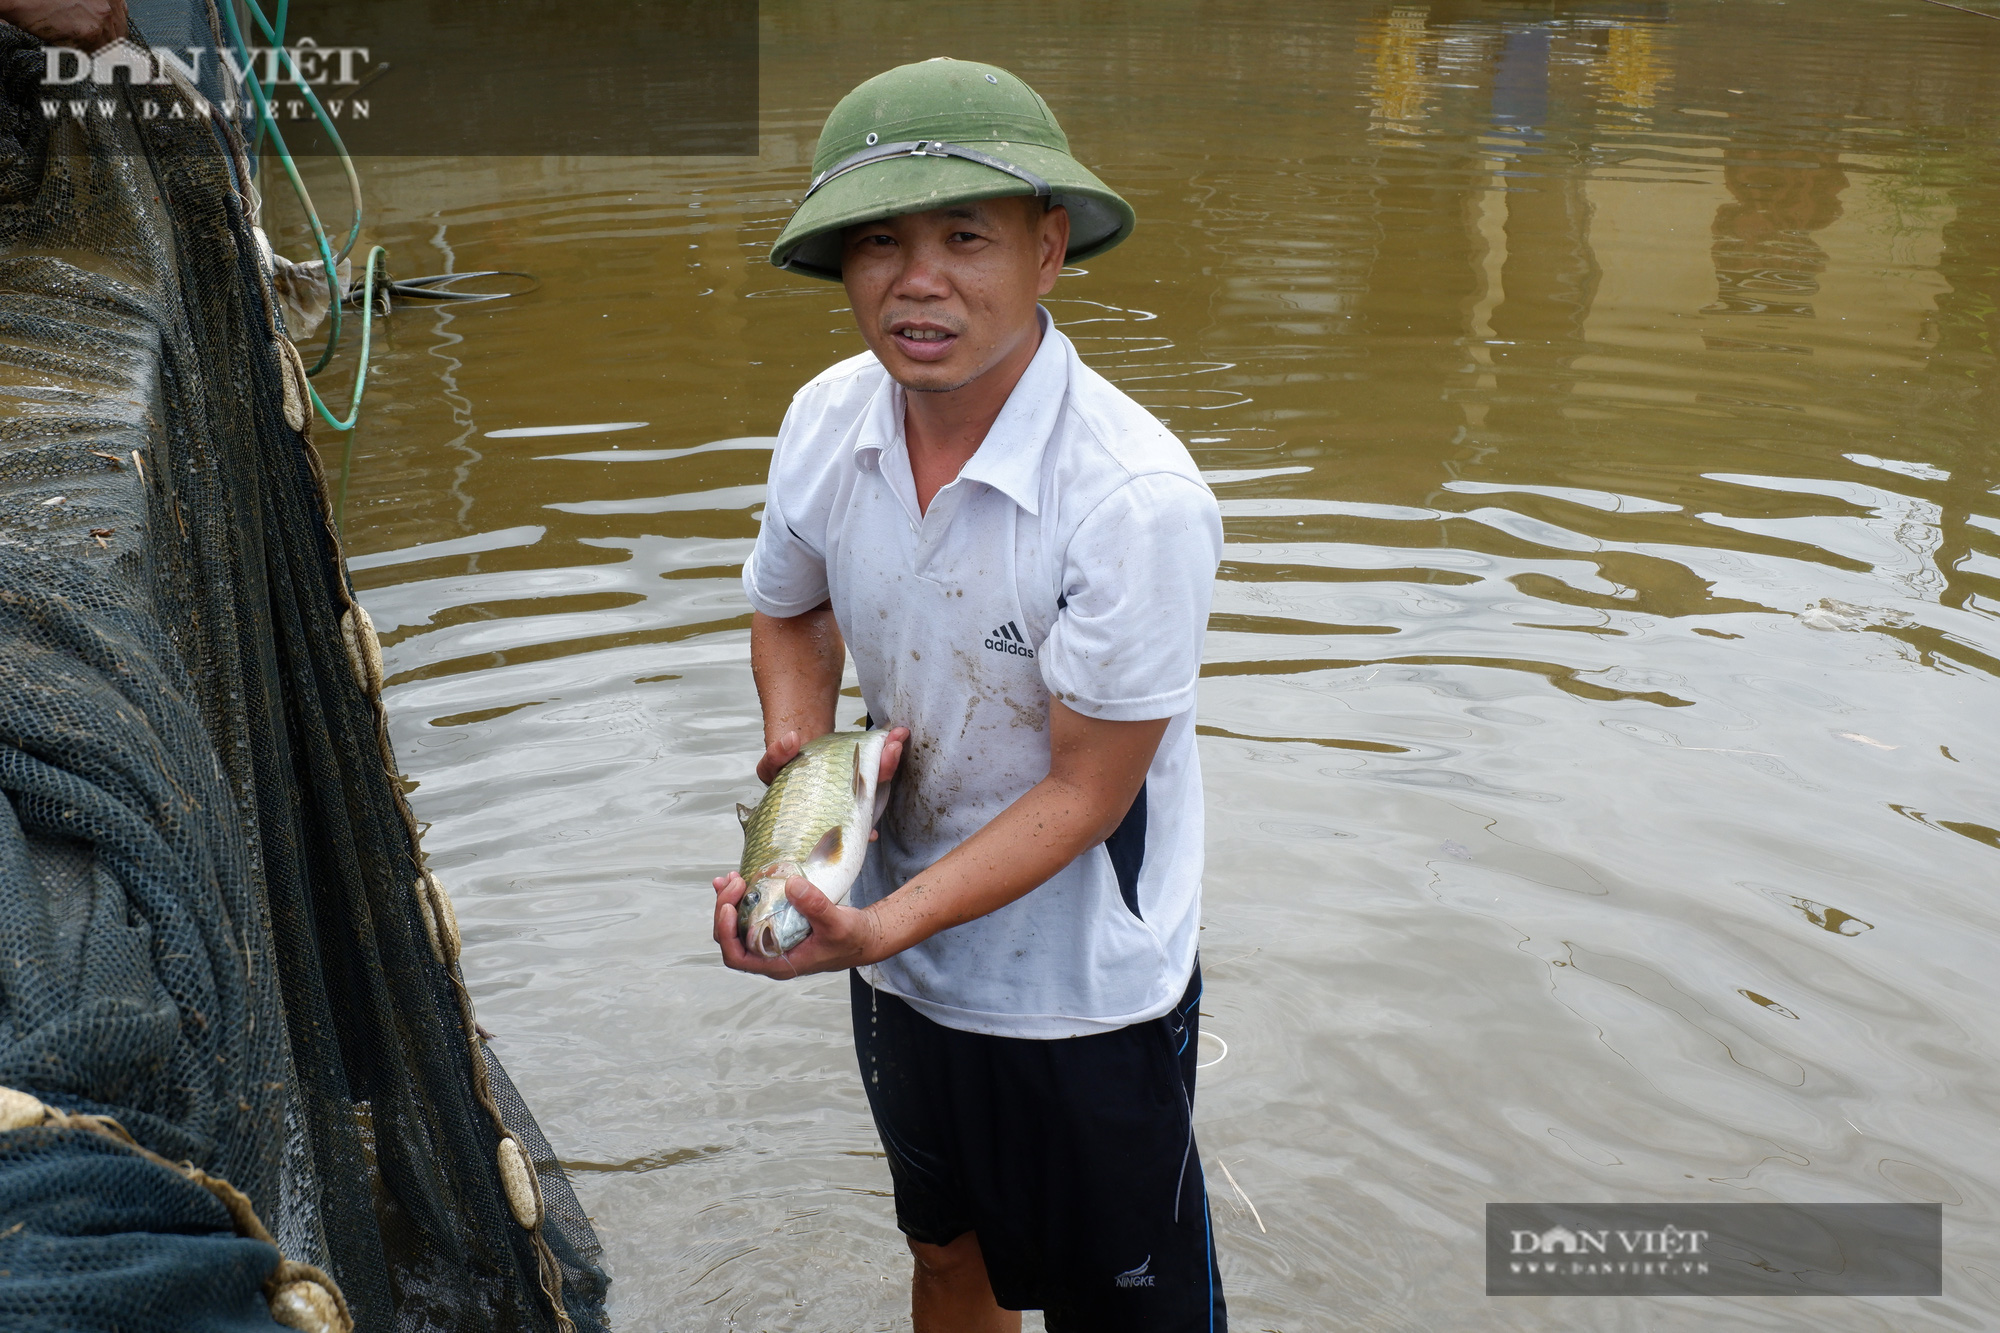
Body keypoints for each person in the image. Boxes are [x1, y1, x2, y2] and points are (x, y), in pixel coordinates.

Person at [711, 57, 1226, 1332]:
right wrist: (799, 758)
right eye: (878, 242)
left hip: (1081, 990)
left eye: (964, 236)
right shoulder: (828, 421)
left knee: (1127, 1315)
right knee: (948, 1260)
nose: (917, 279)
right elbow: (788, 605)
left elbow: (1086, 790)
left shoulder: (1130, 500)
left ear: (1047, 252)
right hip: (895, 961)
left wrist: (878, 927)